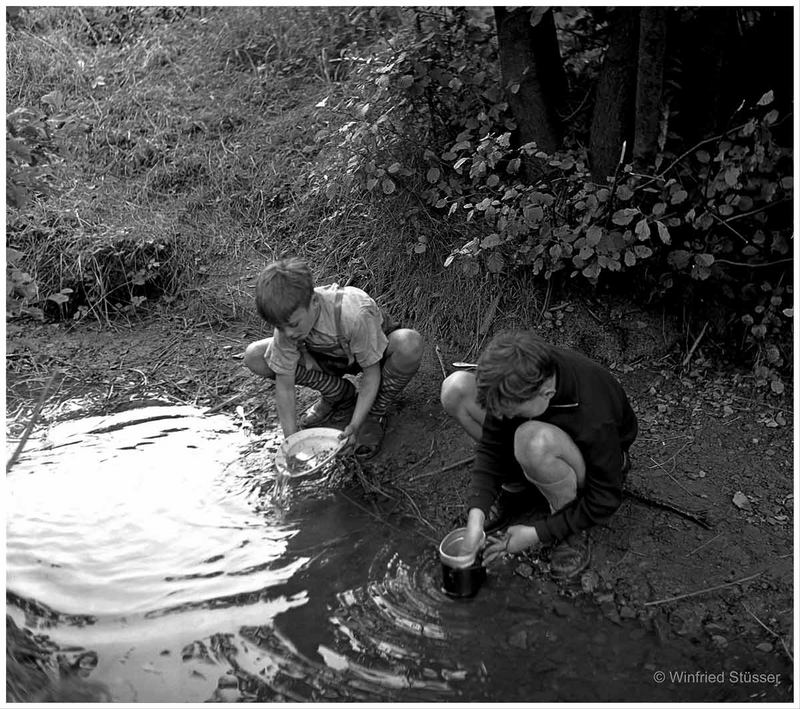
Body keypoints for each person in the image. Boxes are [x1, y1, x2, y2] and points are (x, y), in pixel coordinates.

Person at [440, 330, 638, 580]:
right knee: (456, 388)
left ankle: (566, 522)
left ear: (546, 394)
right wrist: (476, 513)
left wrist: (537, 532)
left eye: (512, 412)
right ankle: (516, 483)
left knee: (531, 440)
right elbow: (491, 446)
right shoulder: (517, 379)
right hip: (544, 440)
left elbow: (606, 498)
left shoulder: (593, 410)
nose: (505, 417)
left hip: (591, 464)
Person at [244, 257, 423, 458]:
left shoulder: (354, 313)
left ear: (313, 302)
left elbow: (370, 375)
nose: (288, 333)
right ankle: (339, 395)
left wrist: (355, 425)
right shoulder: (288, 327)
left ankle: (374, 414)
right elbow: (285, 386)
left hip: (373, 355)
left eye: (294, 325)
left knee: (410, 344)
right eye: (280, 327)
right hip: (328, 360)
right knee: (255, 356)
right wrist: (291, 440)